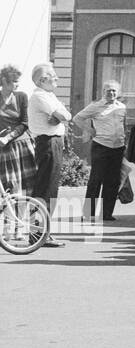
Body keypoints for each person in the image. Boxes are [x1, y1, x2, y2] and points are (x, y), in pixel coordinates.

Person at [27, 63, 72, 244]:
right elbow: (61, 116)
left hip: (54, 141)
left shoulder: (49, 95)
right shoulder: (39, 96)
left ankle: (42, 233)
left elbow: (67, 115)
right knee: (44, 188)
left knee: (50, 189)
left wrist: (60, 116)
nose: (57, 79)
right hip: (47, 142)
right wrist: (58, 116)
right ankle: (37, 234)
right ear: (43, 80)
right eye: (53, 76)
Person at [74, 80, 128, 224]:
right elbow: (78, 118)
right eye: (108, 90)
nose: (111, 93)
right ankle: (88, 214)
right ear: (103, 92)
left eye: (114, 91)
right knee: (96, 180)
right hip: (101, 146)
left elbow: (124, 124)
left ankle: (107, 213)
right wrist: (89, 130)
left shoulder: (121, 107)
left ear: (118, 93)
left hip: (118, 147)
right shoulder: (96, 106)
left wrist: (125, 141)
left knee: (113, 181)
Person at [0, 64, 40, 200]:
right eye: (15, 81)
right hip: (4, 149)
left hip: (22, 145)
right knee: (9, 184)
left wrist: (8, 137)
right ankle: (10, 217)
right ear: (4, 81)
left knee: (29, 184)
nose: (18, 84)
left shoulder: (21, 96)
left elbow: (25, 122)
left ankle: (29, 216)